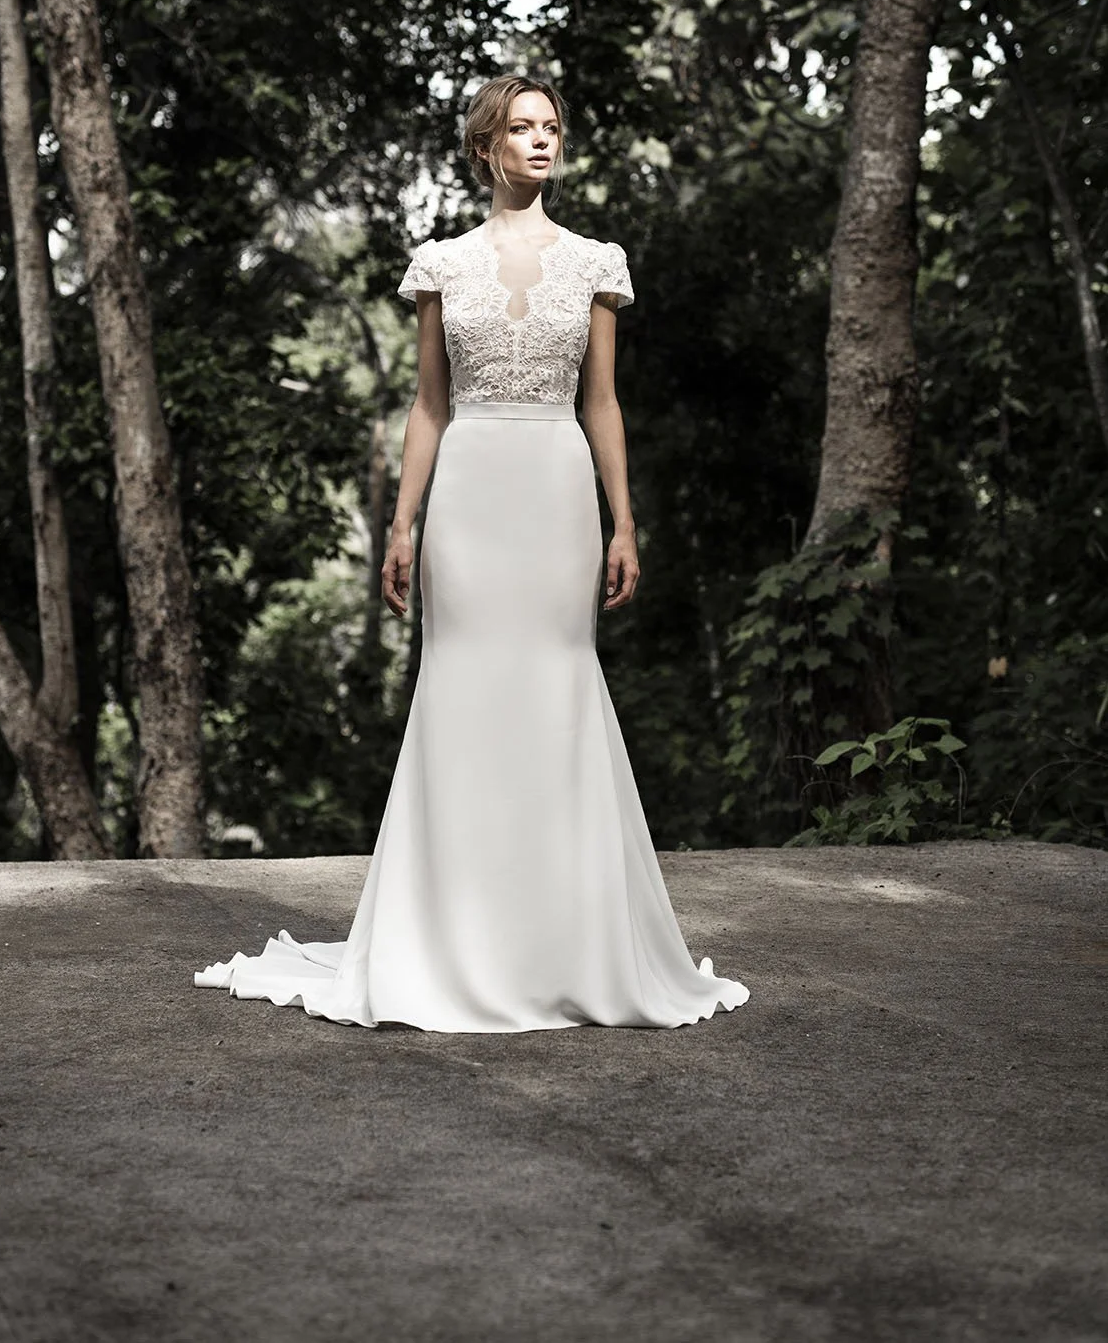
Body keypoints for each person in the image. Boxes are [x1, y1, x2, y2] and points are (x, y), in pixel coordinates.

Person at [194, 75, 750, 1031]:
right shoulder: (441, 263)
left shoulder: (595, 262)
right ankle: (446, 939)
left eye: (553, 128)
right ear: (486, 148)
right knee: (460, 690)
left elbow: (602, 404)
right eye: (522, 129)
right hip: (468, 496)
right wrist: (403, 524)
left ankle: (566, 944)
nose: (543, 142)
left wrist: (625, 520)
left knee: (555, 684)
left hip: (554, 489)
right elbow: (428, 407)